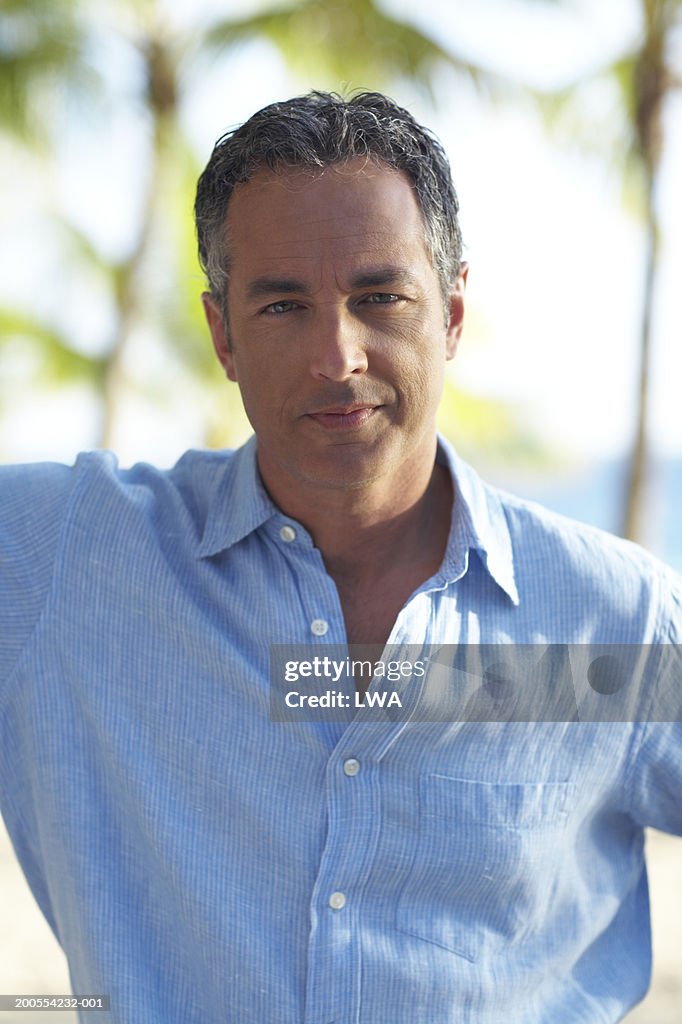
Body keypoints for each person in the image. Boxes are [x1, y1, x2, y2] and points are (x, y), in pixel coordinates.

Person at [0, 90, 680, 1024]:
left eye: (380, 297)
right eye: (283, 305)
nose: (337, 353)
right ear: (223, 335)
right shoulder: (63, 562)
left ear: (450, 313)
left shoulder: (619, 618)